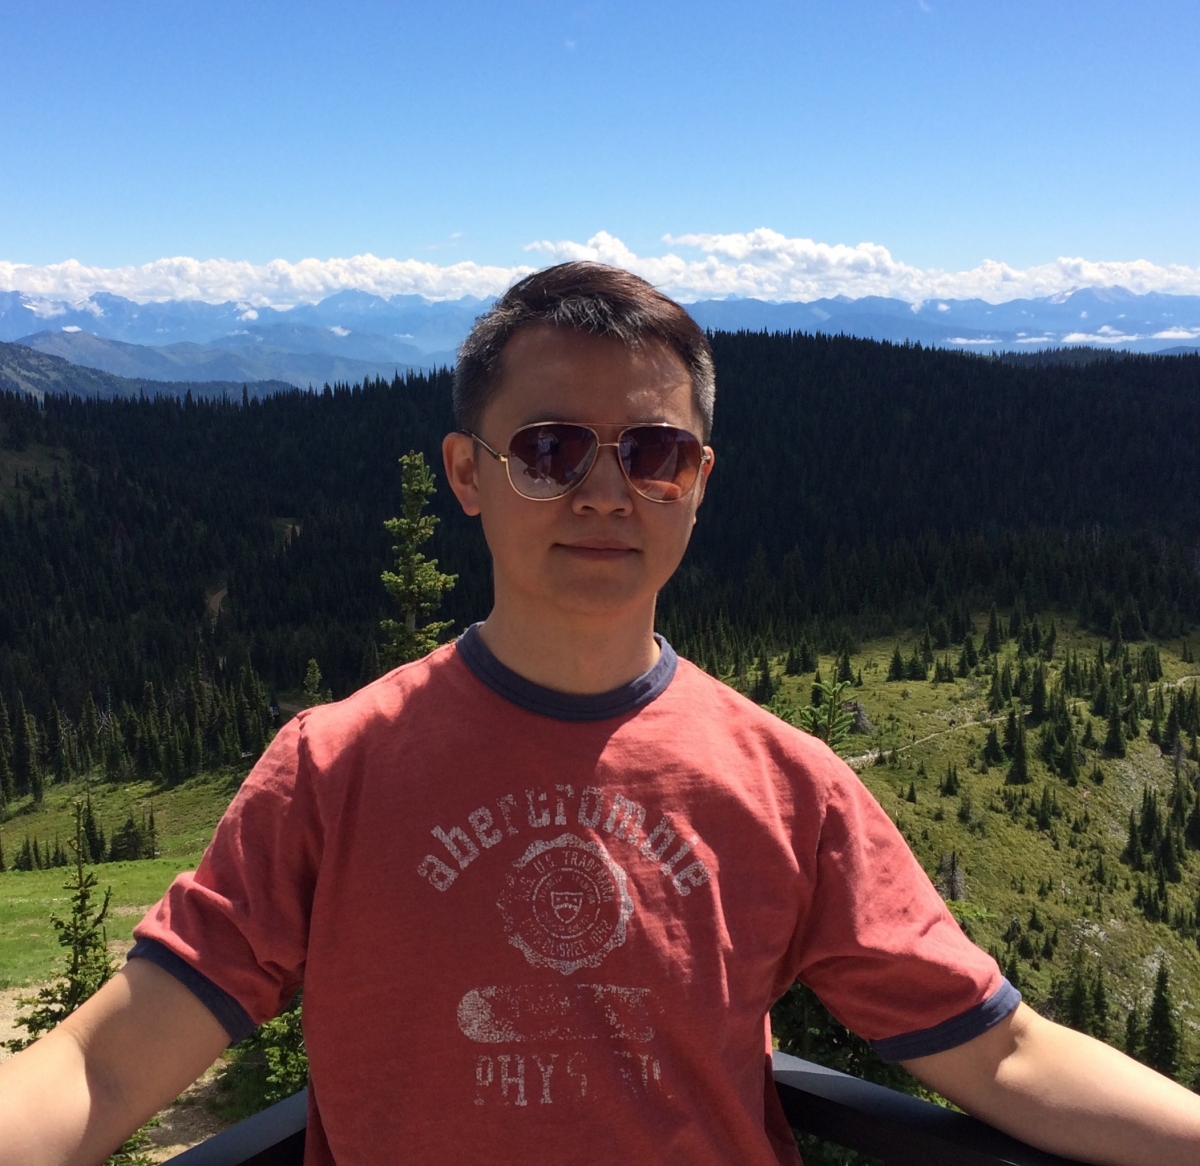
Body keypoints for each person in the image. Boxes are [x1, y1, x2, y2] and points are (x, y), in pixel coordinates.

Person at [1, 263, 1198, 1166]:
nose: (607, 491)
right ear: (467, 475)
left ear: (699, 484)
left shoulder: (791, 785)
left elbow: (1001, 1049)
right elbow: (103, 1065)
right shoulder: (332, 768)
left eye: (655, 452)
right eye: (551, 448)